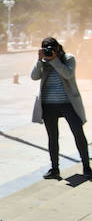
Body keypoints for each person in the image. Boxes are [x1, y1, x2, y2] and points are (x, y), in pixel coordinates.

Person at [31, 37, 91, 179]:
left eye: (52, 48)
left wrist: (54, 60)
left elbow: (68, 74)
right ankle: (54, 168)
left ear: (58, 48)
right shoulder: (44, 61)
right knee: (52, 137)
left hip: (68, 103)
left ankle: (86, 167)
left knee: (78, 133)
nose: (49, 51)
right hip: (48, 105)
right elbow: (34, 76)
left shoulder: (68, 58)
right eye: (46, 49)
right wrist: (39, 61)